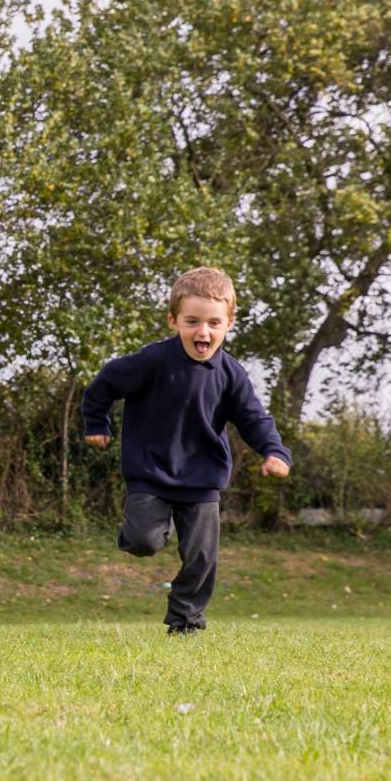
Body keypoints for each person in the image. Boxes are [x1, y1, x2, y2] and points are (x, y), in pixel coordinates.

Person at [80, 266, 292, 634]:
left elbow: (254, 419)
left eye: (213, 323)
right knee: (143, 542)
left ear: (229, 324)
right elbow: (106, 383)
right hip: (151, 472)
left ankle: (186, 620)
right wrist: (96, 423)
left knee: (202, 557)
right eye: (192, 321)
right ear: (173, 321)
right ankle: (135, 531)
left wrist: (275, 451)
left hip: (202, 478)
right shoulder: (153, 361)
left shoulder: (232, 375)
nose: (202, 332)